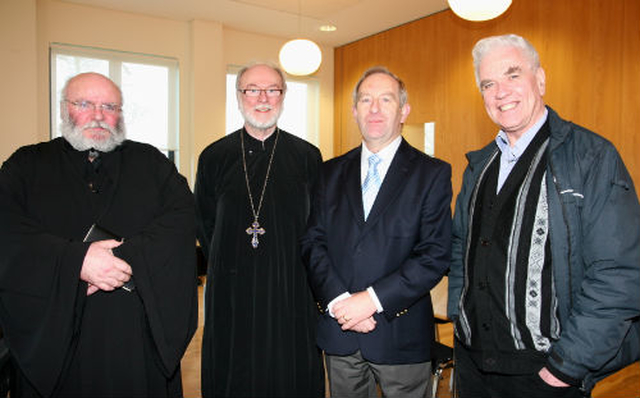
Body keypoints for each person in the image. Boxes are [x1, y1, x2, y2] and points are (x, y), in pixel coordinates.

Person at [447, 33, 640, 398]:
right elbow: (462, 246)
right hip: (473, 367)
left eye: (513, 74)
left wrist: (566, 367)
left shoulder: (591, 158)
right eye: (489, 83)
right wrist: (459, 317)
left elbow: (619, 275)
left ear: (540, 79)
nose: (500, 91)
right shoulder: (479, 165)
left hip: (546, 375)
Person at [0, 72, 198, 397]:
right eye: (84, 104)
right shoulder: (26, 166)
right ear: (64, 109)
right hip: (55, 338)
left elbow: (181, 219)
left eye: (109, 106)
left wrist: (125, 259)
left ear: (120, 114)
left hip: (135, 338)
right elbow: (7, 229)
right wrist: (77, 261)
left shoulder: (151, 163)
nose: (97, 115)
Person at [301, 66, 452, 398]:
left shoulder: (432, 174)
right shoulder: (329, 172)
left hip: (399, 334)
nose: (374, 108)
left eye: (386, 99)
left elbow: (434, 254)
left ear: (404, 110)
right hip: (340, 333)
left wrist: (369, 301)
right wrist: (342, 303)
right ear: (354, 111)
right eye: (365, 100)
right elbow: (313, 243)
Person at [195, 63, 324, 397]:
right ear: (239, 97)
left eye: (273, 90)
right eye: (252, 89)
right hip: (231, 290)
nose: (263, 98)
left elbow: (318, 225)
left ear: (283, 96)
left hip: (291, 287)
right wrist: (230, 262)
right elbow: (205, 221)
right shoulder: (214, 157)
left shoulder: (308, 156)